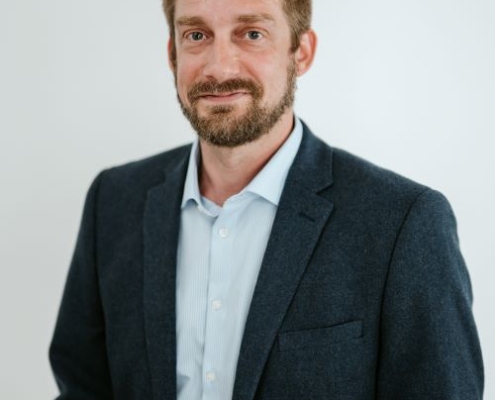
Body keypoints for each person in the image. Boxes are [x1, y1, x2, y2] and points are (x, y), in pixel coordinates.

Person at [49, 0, 484, 398]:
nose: (219, 67)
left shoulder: (403, 222)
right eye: (196, 35)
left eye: (251, 33)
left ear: (302, 52)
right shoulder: (115, 201)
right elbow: (83, 387)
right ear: (172, 54)